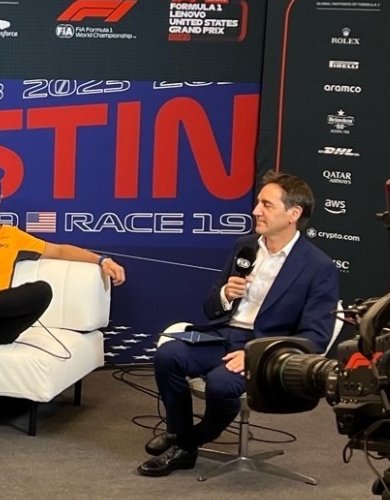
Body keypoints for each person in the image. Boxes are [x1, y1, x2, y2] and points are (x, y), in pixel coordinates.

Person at [139, 170, 339, 477]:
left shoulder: (318, 266)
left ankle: (187, 442)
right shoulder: (244, 248)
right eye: (258, 202)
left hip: (265, 352)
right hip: (223, 336)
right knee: (169, 356)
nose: (255, 210)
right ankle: (180, 437)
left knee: (221, 383)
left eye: (267, 205)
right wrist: (224, 295)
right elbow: (210, 309)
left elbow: (316, 337)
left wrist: (257, 356)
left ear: (293, 214)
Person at [0, 170, 126, 457]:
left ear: (0, 202)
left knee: (41, 290)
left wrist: (102, 259)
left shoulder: (10, 236)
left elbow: (59, 251)